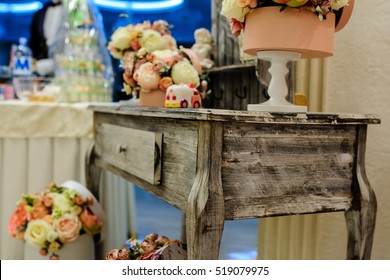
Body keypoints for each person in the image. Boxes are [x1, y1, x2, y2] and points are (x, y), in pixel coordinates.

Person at [28, 0, 64, 76]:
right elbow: (34, 40)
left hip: (66, 68)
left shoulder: (74, 12)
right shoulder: (41, 12)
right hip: (41, 72)